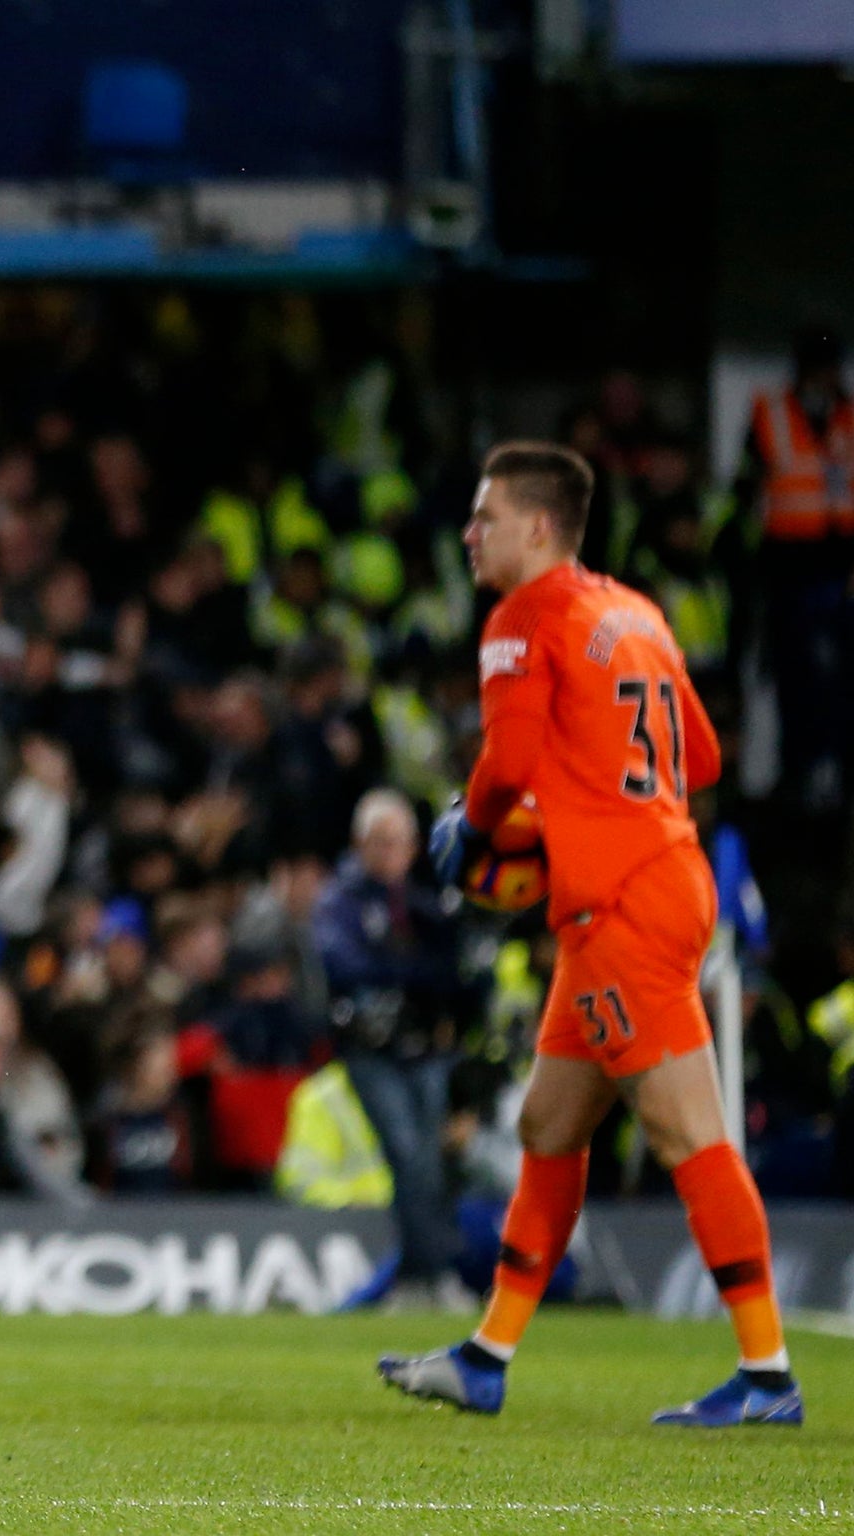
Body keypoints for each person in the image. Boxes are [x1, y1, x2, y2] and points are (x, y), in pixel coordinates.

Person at [382, 441, 801, 1426]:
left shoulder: (522, 616)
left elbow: (509, 756)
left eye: (484, 517)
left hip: (620, 902)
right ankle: (486, 1356)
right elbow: (696, 753)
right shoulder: (634, 610)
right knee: (548, 1125)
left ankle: (767, 1374)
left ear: (537, 526)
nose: (468, 533)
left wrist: (468, 834)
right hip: (644, 883)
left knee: (685, 1131)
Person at [313, 788, 469, 1307]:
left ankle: (421, 1274)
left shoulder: (426, 904)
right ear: (360, 844)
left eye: (400, 843)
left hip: (424, 1046)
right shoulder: (341, 901)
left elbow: (455, 972)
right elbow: (346, 967)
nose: (391, 854)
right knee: (405, 1151)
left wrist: (410, 973)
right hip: (371, 1049)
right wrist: (415, 971)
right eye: (380, 843)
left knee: (429, 1158)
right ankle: (427, 1273)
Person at [734, 327, 854, 809]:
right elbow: (747, 486)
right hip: (788, 566)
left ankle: (843, 777)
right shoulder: (771, 412)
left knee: (845, 679)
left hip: (844, 564)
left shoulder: (849, 416)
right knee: (793, 678)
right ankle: (796, 776)